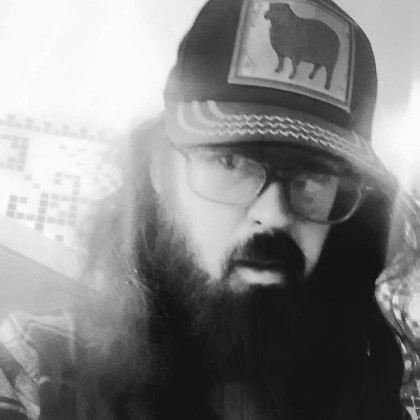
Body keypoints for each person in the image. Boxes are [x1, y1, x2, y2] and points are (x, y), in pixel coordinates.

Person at [0, 0, 419, 419]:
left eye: (315, 177)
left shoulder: (367, 393)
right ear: (160, 172)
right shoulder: (37, 368)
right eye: (230, 161)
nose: (274, 214)